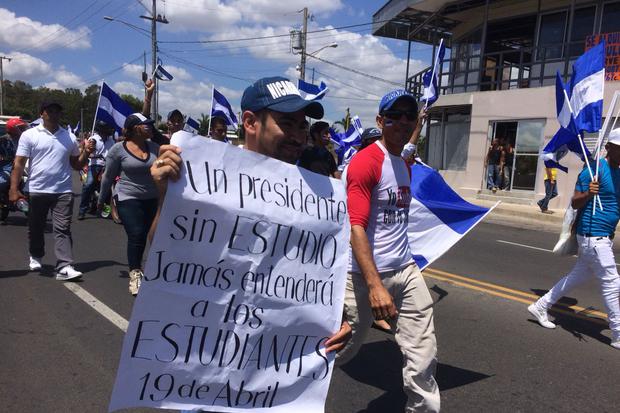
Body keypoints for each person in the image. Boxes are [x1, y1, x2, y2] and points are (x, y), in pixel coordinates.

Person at [150, 75, 351, 354]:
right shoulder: (205, 175)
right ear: (250, 122)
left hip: (269, 356)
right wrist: (165, 197)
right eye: (287, 123)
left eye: (302, 126)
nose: (298, 135)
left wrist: (332, 317)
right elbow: (163, 249)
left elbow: (311, 268)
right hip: (204, 345)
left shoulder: (312, 190)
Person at [336, 89, 440, 412]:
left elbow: (409, 147)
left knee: (423, 351)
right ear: (381, 121)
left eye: (409, 116)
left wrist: (419, 123)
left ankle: (423, 408)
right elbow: (356, 227)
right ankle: (285, 387)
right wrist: (375, 286)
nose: (403, 122)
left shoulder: (404, 162)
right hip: (364, 276)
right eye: (394, 116)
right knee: (340, 349)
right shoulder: (365, 163)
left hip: (406, 270)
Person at [528, 130, 620, 350]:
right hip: (592, 235)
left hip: (603, 235)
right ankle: (618, 333)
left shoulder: (618, 173)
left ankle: (541, 306)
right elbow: (575, 202)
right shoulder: (594, 170)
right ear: (609, 147)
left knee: (577, 276)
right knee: (612, 283)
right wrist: (589, 192)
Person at [10, 101, 95, 280]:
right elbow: (19, 163)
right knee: (36, 227)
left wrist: (86, 153)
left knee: (63, 228)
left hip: (63, 191)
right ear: (42, 113)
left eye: (57, 111)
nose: (54, 114)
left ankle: (65, 266)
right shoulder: (29, 135)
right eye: (50, 111)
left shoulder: (69, 137)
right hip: (36, 189)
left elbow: (76, 164)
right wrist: (13, 188)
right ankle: (36, 254)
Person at [98, 113, 160, 296]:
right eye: (145, 124)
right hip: (127, 196)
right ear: (134, 128)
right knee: (137, 233)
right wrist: (101, 201)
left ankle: (156, 272)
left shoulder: (156, 148)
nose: (149, 127)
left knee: (155, 236)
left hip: (152, 199)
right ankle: (135, 274)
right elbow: (108, 177)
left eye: (150, 124)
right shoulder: (118, 149)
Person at [77, 120, 116, 220]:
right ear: (102, 129)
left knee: (110, 187)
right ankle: (82, 210)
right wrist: (91, 152)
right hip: (95, 165)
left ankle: (106, 209)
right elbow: (87, 151)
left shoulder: (111, 140)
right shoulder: (93, 139)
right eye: (107, 128)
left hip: (108, 166)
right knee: (88, 184)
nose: (109, 130)